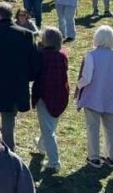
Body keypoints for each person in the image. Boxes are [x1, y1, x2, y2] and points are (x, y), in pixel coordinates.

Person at [0, 2, 40, 152]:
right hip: (19, 83)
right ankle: (7, 141)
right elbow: (34, 60)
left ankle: (9, 149)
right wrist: (28, 77)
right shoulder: (26, 35)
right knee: (9, 115)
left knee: (7, 115)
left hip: (0, 83)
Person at [76, 25, 113, 169]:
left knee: (92, 127)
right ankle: (112, 157)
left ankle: (94, 157)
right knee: (111, 127)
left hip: (93, 98)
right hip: (112, 99)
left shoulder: (91, 55)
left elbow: (87, 78)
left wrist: (78, 85)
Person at [31, 27, 69, 173]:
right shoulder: (63, 55)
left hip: (45, 96)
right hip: (61, 95)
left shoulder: (43, 56)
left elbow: (35, 72)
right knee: (49, 125)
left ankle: (54, 162)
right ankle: (41, 147)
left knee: (48, 130)